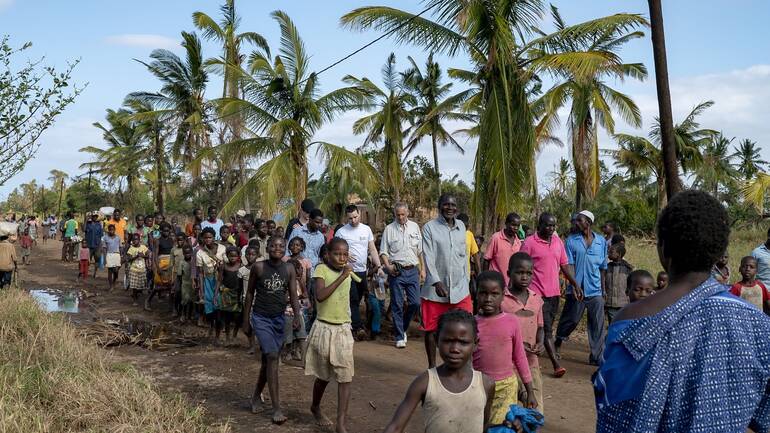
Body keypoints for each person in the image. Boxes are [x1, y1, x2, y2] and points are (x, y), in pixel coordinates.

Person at [594, 190, 770, 433]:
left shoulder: (630, 324)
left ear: (663, 249)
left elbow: (614, 415)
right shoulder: (758, 327)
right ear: (720, 254)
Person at [382, 310, 495, 433]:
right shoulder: (425, 382)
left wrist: (508, 426)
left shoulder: (485, 384)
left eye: (463, 342)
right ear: (436, 340)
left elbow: (483, 425)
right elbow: (396, 427)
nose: (455, 349)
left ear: (475, 344)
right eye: (447, 341)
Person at [305, 238, 361, 433]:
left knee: (345, 376)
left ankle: (341, 424)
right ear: (327, 254)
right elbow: (320, 296)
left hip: (343, 329)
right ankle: (315, 406)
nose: (341, 258)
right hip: (324, 328)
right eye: (337, 254)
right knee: (324, 375)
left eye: (345, 254)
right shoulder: (321, 270)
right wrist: (342, 277)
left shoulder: (347, 272)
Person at [244, 236, 300, 425]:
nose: (277, 248)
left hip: (279, 319)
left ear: (285, 249)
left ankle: (255, 397)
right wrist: (246, 320)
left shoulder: (289, 268)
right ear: (266, 248)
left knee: (267, 361)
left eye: (281, 246)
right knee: (273, 356)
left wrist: (297, 318)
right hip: (261, 318)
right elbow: (250, 293)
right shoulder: (258, 267)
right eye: (273, 245)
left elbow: (293, 294)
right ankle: (277, 408)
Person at [519, 212, 580, 378]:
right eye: (548, 225)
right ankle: (556, 365)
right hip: (536, 294)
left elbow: (564, 265)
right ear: (540, 225)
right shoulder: (530, 243)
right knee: (546, 329)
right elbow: (520, 264)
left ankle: (529, 356)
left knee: (544, 327)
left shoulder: (557, 241)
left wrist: (574, 283)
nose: (551, 228)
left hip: (554, 293)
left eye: (553, 225)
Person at [473, 271, 536, 425]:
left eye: (494, 294)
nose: (488, 299)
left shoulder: (511, 321)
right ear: (476, 294)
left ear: (503, 295)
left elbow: (520, 357)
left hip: (506, 387)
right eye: (483, 293)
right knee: (479, 425)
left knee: (502, 426)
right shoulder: (471, 324)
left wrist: (530, 391)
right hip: (477, 386)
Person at [421, 194, 472, 368]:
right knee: (431, 329)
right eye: (446, 204)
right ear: (439, 206)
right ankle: (432, 367)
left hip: (460, 289)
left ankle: (464, 367)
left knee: (467, 325)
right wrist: (436, 281)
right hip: (436, 290)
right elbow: (428, 256)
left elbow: (463, 255)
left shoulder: (461, 226)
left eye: (453, 204)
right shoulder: (429, 228)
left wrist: (468, 279)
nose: (450, 207)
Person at [555, 210, 607, 366]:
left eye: (579, 221)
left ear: (588, 223)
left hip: (595, 289)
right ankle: (558, 342)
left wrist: (603, 290)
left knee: (597, 323)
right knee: (571, 319)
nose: (576, 223)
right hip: (576, 289)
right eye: (576, 221)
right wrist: (574, 285)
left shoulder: (601, 241)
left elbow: (603, 267)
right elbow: (569, 265)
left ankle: (596, 356)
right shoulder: (571, 241)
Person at [503, 252, 546, 412]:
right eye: (520, 272)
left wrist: (540, 343)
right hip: (507, 365)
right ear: (509, 273)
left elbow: (540, 327)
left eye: (529, 273)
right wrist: (517, 344)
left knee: (535, 411)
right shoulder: (501, 300)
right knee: (507, 412)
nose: (524, 277)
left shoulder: (536, 299)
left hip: (531, 363)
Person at [334, 204, 383, 340]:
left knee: (361, 297)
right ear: (346, 218)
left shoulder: (366, 230)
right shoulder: (342, 232)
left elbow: (372, 249)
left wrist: (378, 267)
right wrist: (344, 253)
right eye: (350, 218)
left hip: (362, 271)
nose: (353, 220)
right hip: (347, 271)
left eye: (355, 217)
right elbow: (333, 249)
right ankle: (358, 327)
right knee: (353, 299)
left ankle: (354, 323)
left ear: (359, 214)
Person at [380, 203, 424, 349]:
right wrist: (388, 266)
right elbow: (384, 252)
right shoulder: (389, 229)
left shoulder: (415, 227)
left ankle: (403, 327)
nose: (400, 217)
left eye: (403, 214)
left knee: (415, 303)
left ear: (407, 213)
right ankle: (399, 336)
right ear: (395, 214)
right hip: (396, 272)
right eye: (397, 214)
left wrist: (422, 269)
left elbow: (420, 250)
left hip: (412, 270)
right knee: (397, 304)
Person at [196, 227, 227, 340]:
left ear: (214, 237)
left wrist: (221, 267)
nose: (208, 239)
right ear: (203, 239)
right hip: (208, 281)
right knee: (209, 307)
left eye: (210, 237)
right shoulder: (200, 253)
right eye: (206, 238)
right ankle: (212, 326)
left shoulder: (222, 249)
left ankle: (218, 331)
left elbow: (228, 264)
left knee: (219, 305)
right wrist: (201, 290)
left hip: (221, 279)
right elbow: (200, 273)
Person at [484, 213, 522, 288]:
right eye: (513, 225)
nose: (515, 228)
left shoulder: (518, 242)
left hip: (511, 285)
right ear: (506, 223)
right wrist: (486, 279)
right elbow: (486, 260)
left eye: (517, 226)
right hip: (495, 283)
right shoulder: (496, 238)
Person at [603, 243, 633, 323]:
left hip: (623, 304)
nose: (608, 254)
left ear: (619, 254)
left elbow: (631, 286)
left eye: (611, 252)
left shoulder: (628, 269)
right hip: (609, 303)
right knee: (612, 324)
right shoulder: (606, 267)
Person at [219, 246, 244, 344]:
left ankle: (235, 334)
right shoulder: (223, 266)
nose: (232, 258)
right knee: (227, 317)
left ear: (238, 256)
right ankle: (227, 337)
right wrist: (216, 294)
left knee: (238, 316)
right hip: (226, 294)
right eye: (230, 256)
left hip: (237, 294)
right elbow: (219, 280)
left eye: (235, 256)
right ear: (227, 256)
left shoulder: (241, 266)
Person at [457, 213, 481, 304]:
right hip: (452, 274)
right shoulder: (449, 234)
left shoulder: (469, 235)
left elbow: (476, 255)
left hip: (465, 275)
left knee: (464, 299)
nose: (464, 228)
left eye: (466, 226)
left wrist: (479, 274)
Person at [126, 233, 149, 305]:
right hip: (134, 270)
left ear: (139, 240)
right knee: (134, 287)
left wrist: (143, 255)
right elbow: (129, 259)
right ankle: (135, 300)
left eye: (136, 239)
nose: (135, 241)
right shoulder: (131, 248)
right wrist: (136, 256)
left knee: (141, 286)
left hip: (142, 270)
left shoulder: (143, 247)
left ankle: (136, 295)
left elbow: (148, 255)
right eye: (133, 240)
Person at [178, 244, 196, 323]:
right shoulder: (182, 262)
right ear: (183, 253)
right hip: (185, 284)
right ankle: (183, 315)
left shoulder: (194, 262)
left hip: (192, 284)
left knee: (192, 300)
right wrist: (178, 285)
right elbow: (179, 275)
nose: (187, 255)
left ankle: (189, 316)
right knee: (184, 300)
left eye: (189, 253)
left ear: (192, 253)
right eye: (186, 253)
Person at [102, 224, 122, 291]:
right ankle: (111, 286)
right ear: (108, 230)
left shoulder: (118, 237)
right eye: (110, 230)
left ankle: (114, 282)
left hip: (117, 254)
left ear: (114, 230)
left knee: (116, 270)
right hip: (109, 255)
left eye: (113, 230)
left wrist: (121, 255)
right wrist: (104, 258)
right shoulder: (105, 238)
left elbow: (120, 247)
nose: (111, 231)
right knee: (110, 271)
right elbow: (104, 248)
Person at [85, 214, 103, 278]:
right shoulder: (88, 224)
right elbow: (84, 230)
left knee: (97, 259)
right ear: (92, 217)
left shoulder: (99, 225)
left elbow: (101, 235)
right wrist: (86, 221)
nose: (95, 217)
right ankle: (85, 272)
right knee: (86, 260)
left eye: (96, 216)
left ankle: (95, 273)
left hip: (97, 245)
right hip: (89, 245)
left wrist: (100, 244)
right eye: (93, 216)